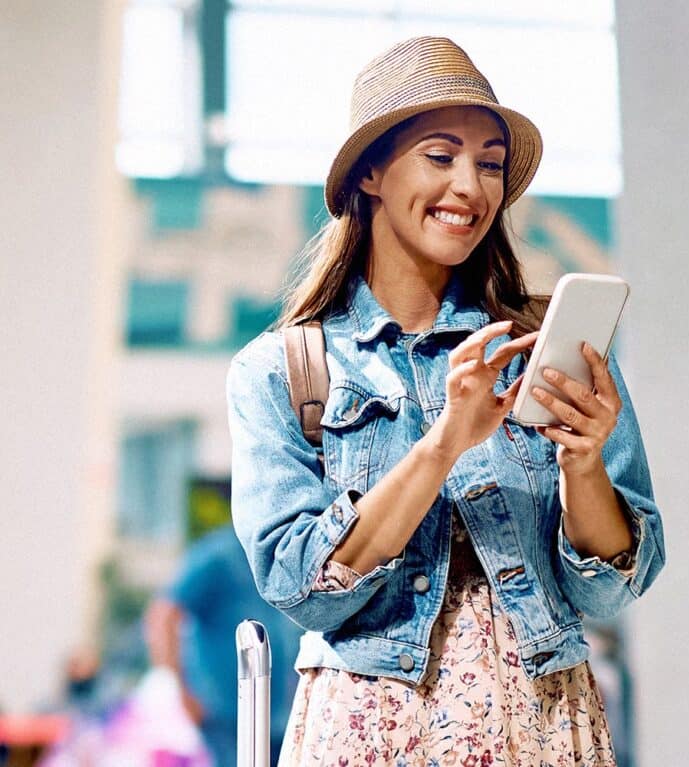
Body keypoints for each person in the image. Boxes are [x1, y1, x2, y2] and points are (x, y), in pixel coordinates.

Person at [227, 36, 665, 766]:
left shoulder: (539, 350)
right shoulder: (281, 371)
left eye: (489, 164)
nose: (470, 187)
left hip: (543, 722)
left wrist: (583, 462)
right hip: (371, 731)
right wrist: (444, 442)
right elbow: (301, 588)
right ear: (369, 173)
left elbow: (609, 594)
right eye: (440, 156)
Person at [144, 523, 301, 767]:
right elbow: (163, 615)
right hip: (226, 715)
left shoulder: (278, 554)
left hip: (275, 716)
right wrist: (180, 689)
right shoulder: (218, 555)